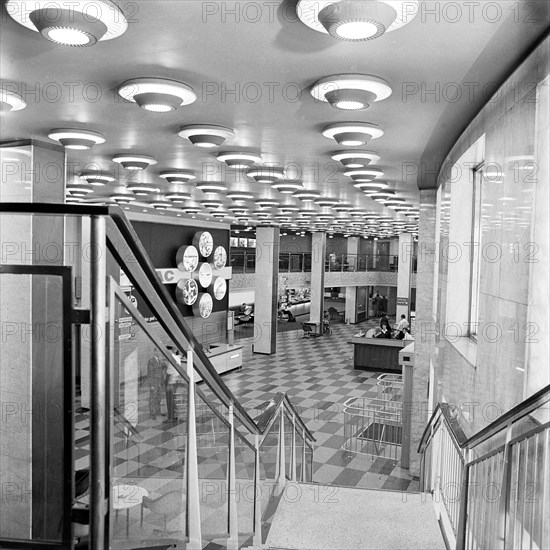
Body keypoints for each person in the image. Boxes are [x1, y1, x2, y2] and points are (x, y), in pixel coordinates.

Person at [147, 347, 167, 420]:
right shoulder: (151, 361)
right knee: (152, 398)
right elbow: (150, 373)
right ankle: (152, 413)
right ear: (155, 352)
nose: (159, 353)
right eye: (158, 351)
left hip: (159, 382)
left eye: (160, 352)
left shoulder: (159, 360)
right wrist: (151, 385)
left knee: (159, 397)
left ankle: (158, 411)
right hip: (154, 382)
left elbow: (162, 370)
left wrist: (163, 364)